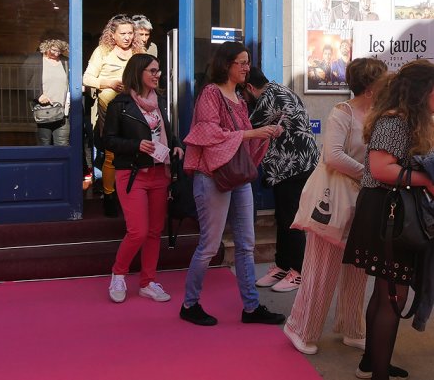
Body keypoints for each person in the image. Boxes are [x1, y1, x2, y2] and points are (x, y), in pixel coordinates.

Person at [343, 59, 434, 380]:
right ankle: (378, 371)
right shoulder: (395, 122)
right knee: (394, 296)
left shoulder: (403, 119)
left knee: (385, 292)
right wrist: (427, 180)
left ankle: (371, 363)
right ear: (420, 92)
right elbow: (381, 169)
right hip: (388, 214)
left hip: (388, 211)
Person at [283, 58, 387, 356]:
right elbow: (333, 156)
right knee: (321, 269)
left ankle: (352, 328)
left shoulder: (381, 115)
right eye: (383, 81)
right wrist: (373, 174)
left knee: (358, 267)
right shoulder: (341, 113)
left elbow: (424, 124)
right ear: (370, 86)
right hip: (334, 200)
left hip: (363, 201)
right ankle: (300, 327)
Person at [179, 41, 285, 327]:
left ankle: (251, 307)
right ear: (226, 64)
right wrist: (253, 134)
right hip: (211, 175)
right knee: (210, 245)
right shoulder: (211, 93)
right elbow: (209, 133)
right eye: (241, 62)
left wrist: (265, 134)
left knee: (246, 244)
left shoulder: (239, 97)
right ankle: (190, 304)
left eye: (247, 62)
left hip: (237, 176)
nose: (246, 67)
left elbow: (241, 140)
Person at [103, 53, 183, 303]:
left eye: (158, 70)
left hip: (160, 173)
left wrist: (177, 145)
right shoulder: (120, 103)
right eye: (152, 70)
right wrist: (136, 145)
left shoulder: (159, 101)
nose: (157, 75)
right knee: (138, 231)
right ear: (138, 72)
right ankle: (118, 274)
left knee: (154, 231)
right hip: (132, 174)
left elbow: (167, 132)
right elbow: (108, 140)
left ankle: (148, 282)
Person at [244, 66, 319, 293]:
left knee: (291, 218)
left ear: (249, 87)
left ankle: (298, 270)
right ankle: (283, 265)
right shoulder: (279, 89)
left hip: (294, 166)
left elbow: (246, 126)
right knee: (283, 216)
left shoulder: (269, 96)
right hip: (287, 166)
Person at [83, 14, 144, 216]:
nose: (127, 37)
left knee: (135, 151)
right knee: (111, 154)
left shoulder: (138, 51)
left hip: (135, 108)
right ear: (113, 34)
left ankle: (130, 194)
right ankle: (109, 196)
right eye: (123, 33)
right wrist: (108, 83)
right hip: (110, 109)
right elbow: (87, 78)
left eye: (130, 33)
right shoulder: (102, 51)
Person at [25, 38, 70, 146]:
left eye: (60, 50)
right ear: (46, 47)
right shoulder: (35, 60)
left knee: (62, 145)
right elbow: (22, 82)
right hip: (43, 111)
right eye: (54, 50)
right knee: (44, 145)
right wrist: (38, 95)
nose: (56, 53)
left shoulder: (65, 62)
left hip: (62, 112)